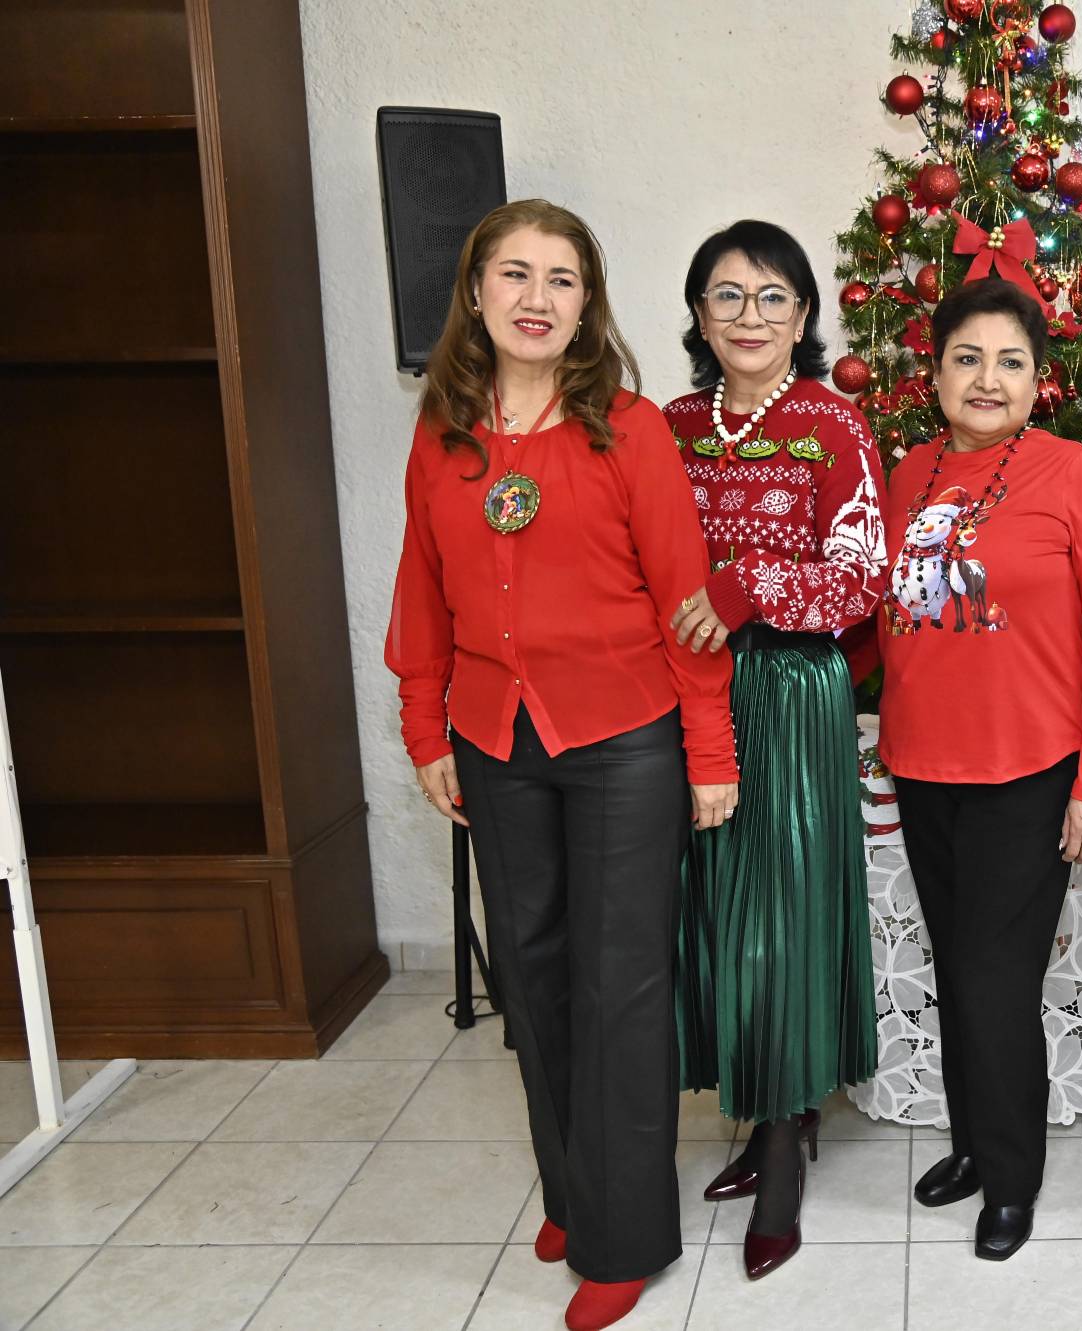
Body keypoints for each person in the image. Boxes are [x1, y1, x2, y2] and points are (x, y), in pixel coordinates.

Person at [385, 199, 736, 1331]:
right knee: (531, 975)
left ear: (588, 303)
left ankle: (622, 1234)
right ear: (476, 292)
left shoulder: (629, 430)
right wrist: (424, 729)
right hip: (496, 737)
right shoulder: (442, 434)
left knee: (620, 981)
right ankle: (574, 1185)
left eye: (562, 279)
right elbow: (421, 594)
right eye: (514, 275)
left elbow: (687, 607)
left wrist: (708, 751)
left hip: (623, 737)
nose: (537, 299)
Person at [875, 272, 1082, 1261]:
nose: (985, 378)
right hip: (921, 765)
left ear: (1039, 380)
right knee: (958, 969)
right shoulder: (907, 475)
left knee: (994, 980)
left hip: (1026, 771)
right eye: (965, 357)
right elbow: (889, 618)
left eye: (1010, 361)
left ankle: (1011, 1175)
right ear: (934, 371)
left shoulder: (1072, 474)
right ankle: (970, 1146)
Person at [663, 219, 885, 1280]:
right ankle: (760, 1117)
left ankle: (789, 1144)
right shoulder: (667, 426)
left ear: (804, 315)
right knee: (714, 909)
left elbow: (862, 577)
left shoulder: (834, 424)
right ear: (699, 315)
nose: (749, 317)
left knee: (784, 919)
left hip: (791, 691)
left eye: (771, 297)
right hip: (686, 696)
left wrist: (746, 584)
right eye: (726, 296)